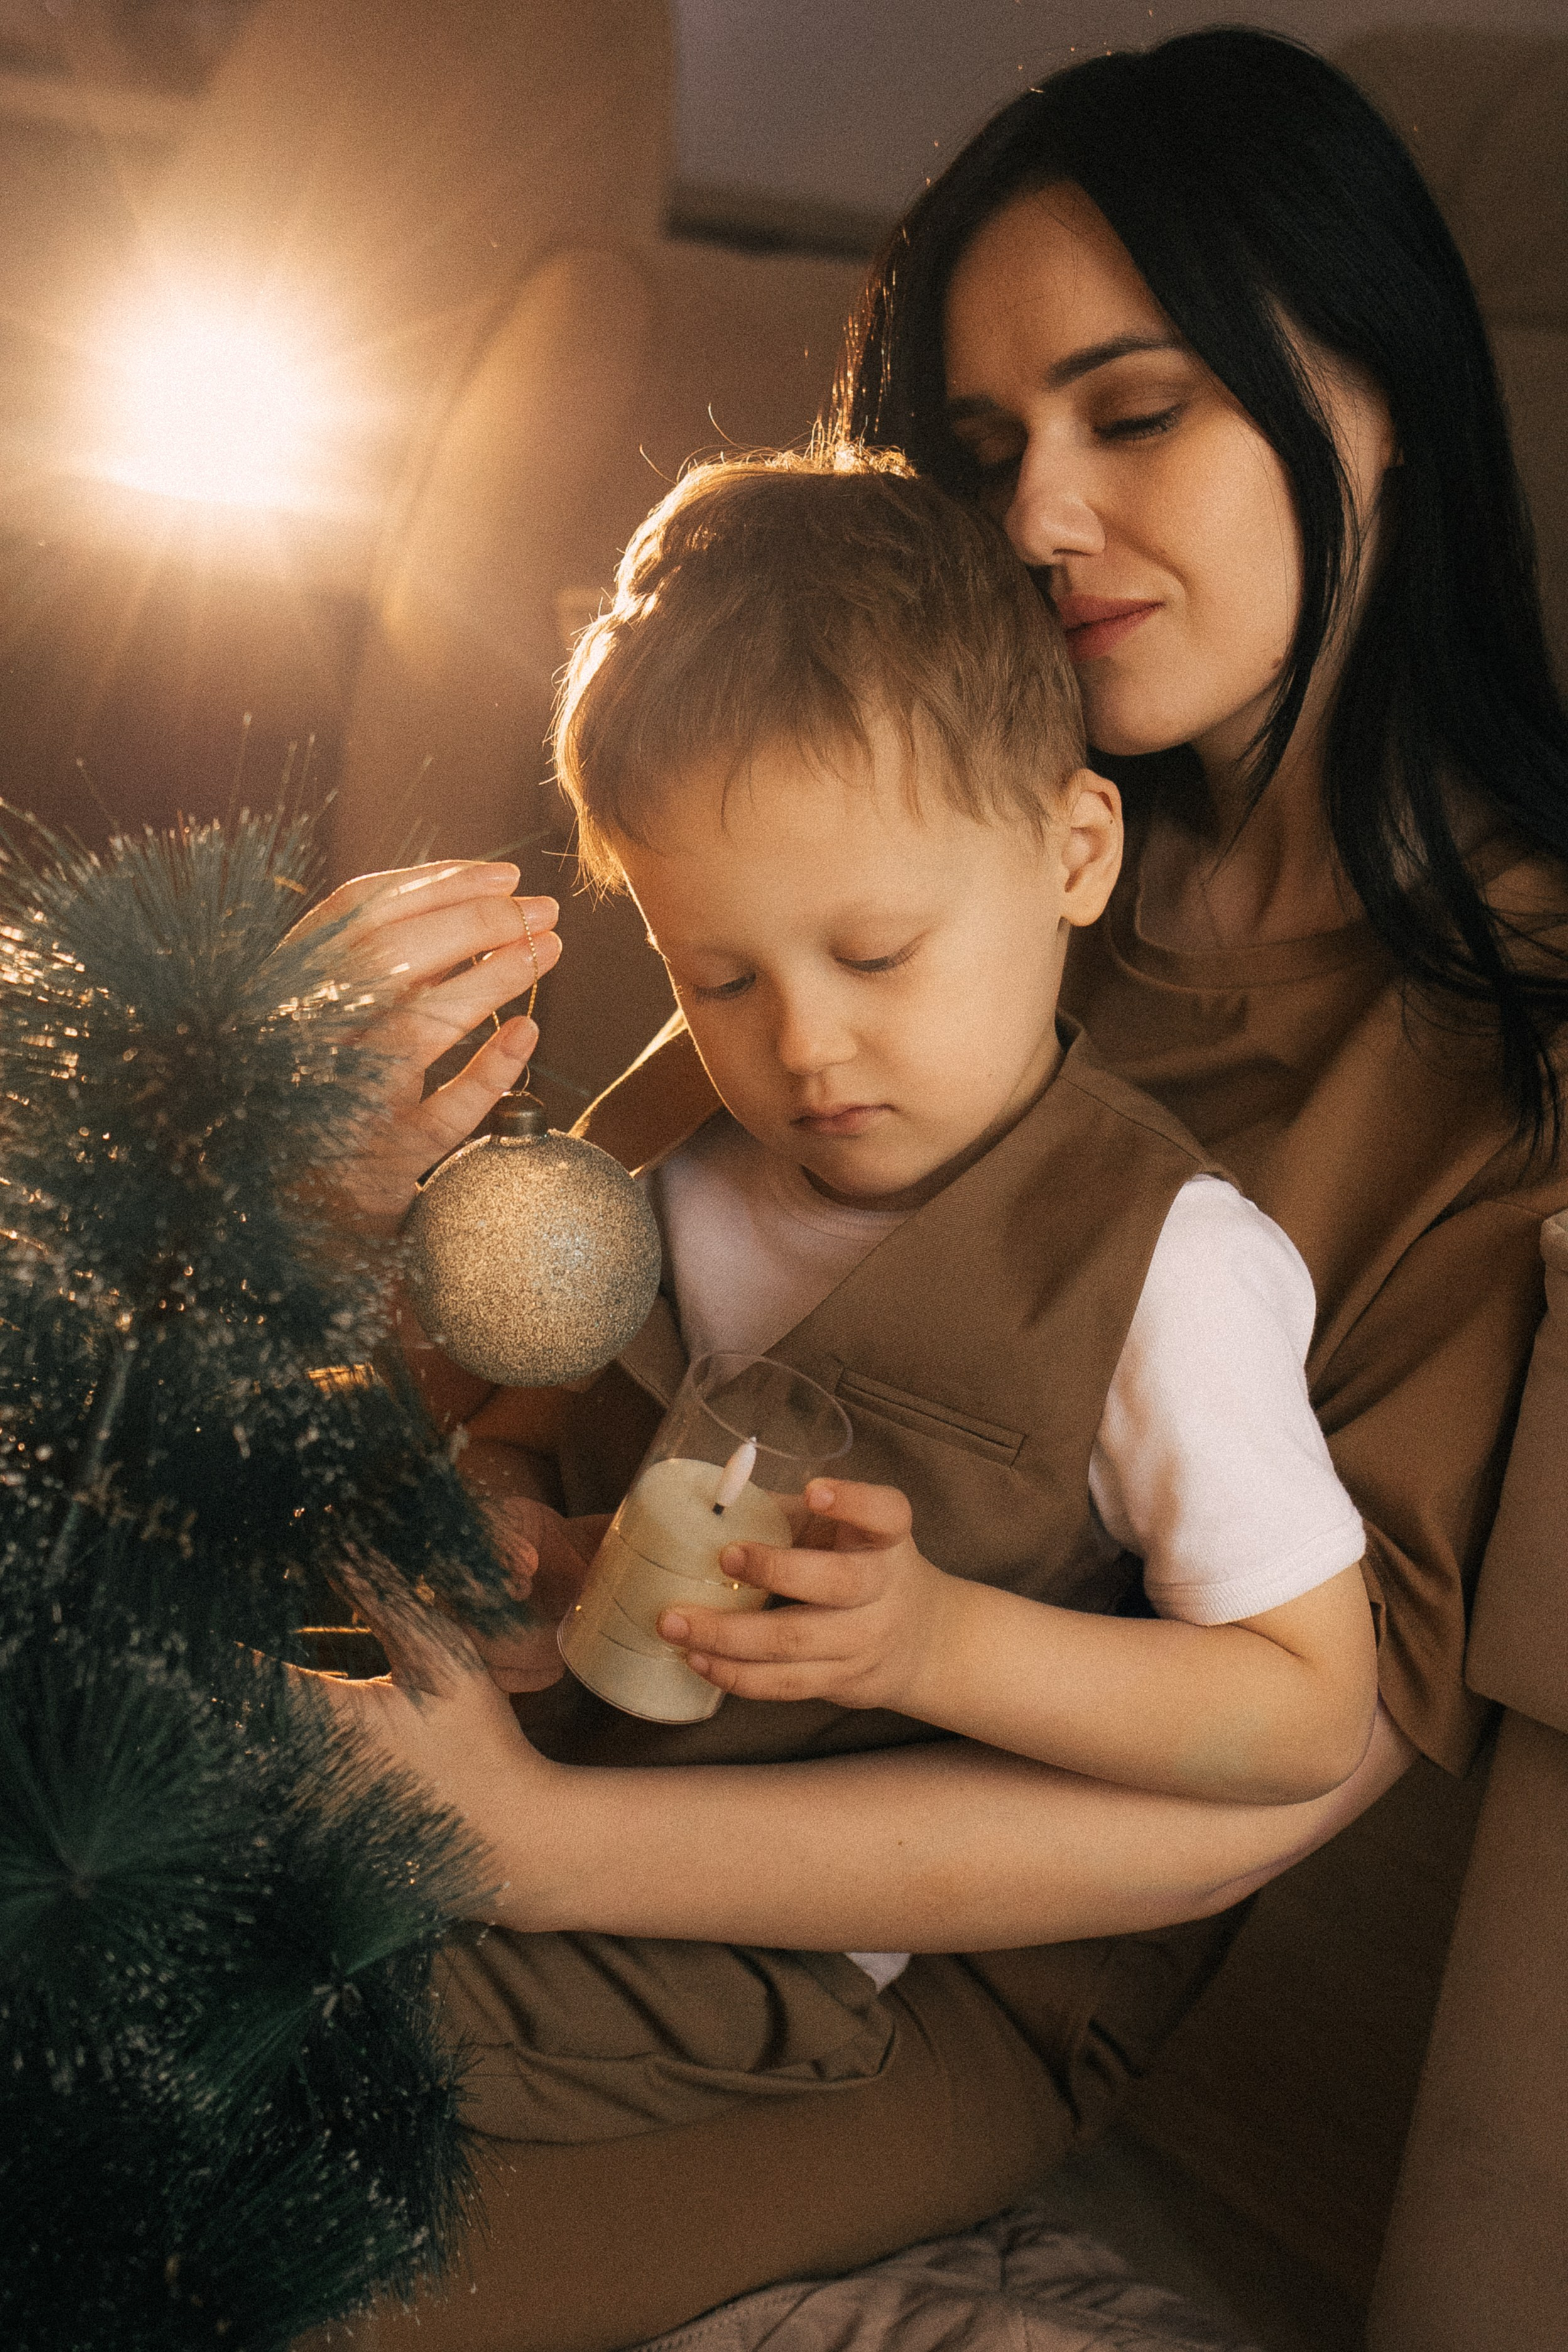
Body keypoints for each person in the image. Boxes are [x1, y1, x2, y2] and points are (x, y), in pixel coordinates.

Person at [302, 28, 1568, 2352]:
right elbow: (544, 1364)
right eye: (985, 452)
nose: (1043, 521)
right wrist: (371, 1258)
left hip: (931, 1968)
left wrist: (548, 1849)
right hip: (573, 1758)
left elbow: (1270, 1770)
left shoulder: (1507, 1053)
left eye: (1137, 411)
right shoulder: (901, 852)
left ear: (1379, 391)